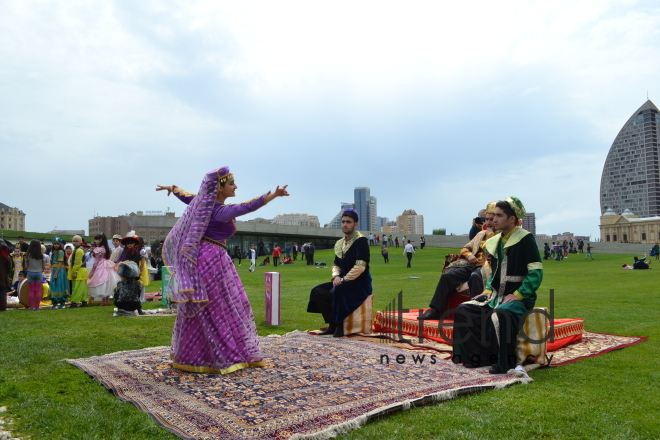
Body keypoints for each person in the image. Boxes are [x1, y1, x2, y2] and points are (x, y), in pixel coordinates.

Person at [156, 167, 289, 374]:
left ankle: (193, 355)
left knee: (208, 309)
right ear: (219, 187)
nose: (235, 187)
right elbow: (249, 206)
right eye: (231, 183)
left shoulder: (200, 204)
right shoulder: (219, 211)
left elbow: (185, 196)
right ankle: (218, 355)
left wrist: (172, 188)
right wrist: (274, 195)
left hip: (203, 260)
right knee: (219, 309)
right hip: (213, 261)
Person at [453, 197, 543, 374]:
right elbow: (492, 273)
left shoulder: (525, 239)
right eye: (493, 216)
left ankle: (504, 363)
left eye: (499, 216)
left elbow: (536, 273)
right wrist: (487, 291)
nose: (494, 219)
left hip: (519, 298)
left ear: (511, 218)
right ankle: (476, 358)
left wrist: (518, 295)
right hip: (495, 295)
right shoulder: (494, 241)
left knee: (503, 312)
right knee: (464, 309)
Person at [418, 202, 497, 321]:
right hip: (474, 264)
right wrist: (469, 255)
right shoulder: (480, 234)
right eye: (487, 219)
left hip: (490, 267)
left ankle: (474, 315)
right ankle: (435, 310)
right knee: (447, 277)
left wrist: (491, 233)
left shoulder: (500, 235)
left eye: (492, 219)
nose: (489, 222)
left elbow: (493, 252)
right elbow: (465, 248)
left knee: (475, 277)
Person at [307, 208, 372, 337]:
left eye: (348, 222)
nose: (345, 224)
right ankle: (332, 324)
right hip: (343, 281)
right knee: (318, 291)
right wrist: (336, 276)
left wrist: (343, 280)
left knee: (336, 291)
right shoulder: (340, 243)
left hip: (359, 283)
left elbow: (360, 267)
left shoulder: (361, 241)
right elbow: (336, 264)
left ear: (355, 224)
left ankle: (340, 326)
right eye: (343, 222)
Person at [87, 233, 119, 306]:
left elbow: (96, 261)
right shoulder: (107, 249)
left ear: (100, 240)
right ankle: (106, 300)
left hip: (101, 265)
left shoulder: (98, 249)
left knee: (101, 280)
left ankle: (104, 301)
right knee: (107, 282)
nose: (95, 241)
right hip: (108, 264)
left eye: (96, 239)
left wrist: (92, 270)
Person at [67, 235, 89, 308]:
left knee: (77, 288)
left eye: (76, 241)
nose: (74, 243)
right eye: (73, 241)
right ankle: (84, 301)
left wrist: (74, 272)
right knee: (82, 288)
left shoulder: (79, 250)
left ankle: (74, 302)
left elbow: (77, 262)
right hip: (82, 271)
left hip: (79, 271)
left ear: (80, 242)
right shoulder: (78, 250)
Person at [24, 239, 46, 310]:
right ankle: (37, 306)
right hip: (39, 272)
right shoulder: (41, 255)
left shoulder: (28, 255)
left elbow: (26, 266)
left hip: (30, 272)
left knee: (31, 290)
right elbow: (43, 266)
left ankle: (31, 306)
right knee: (37, 290)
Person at [49, 237, 69, 309]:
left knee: (59, 285)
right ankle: (55, 303)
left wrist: (56, 273)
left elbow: (60, 263)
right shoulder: (54, 252)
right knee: (54, 285)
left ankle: (62, 303)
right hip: (55, 269)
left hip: (59, 270)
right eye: (55, 244)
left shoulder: (60, 252)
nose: (56, 245)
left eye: (58, 244)